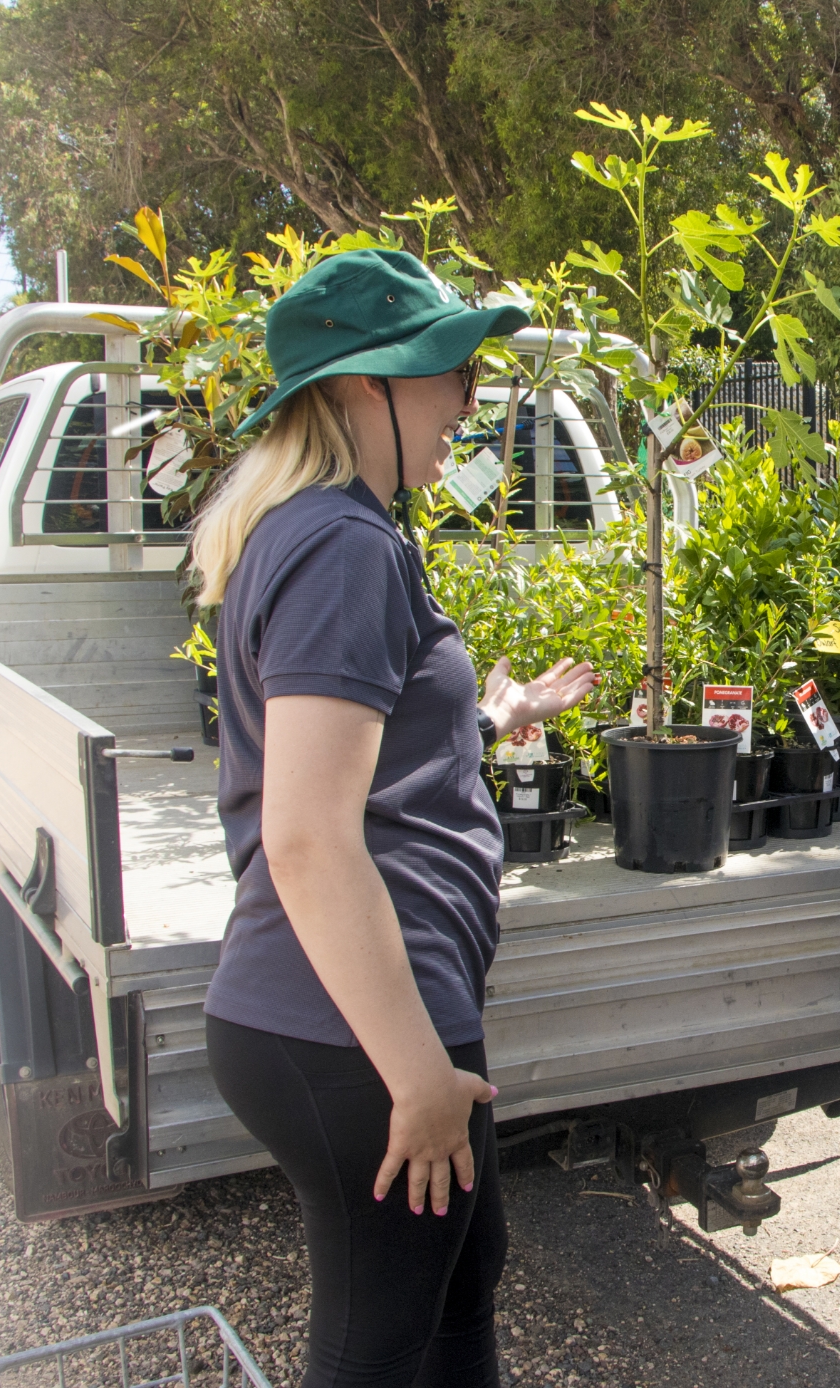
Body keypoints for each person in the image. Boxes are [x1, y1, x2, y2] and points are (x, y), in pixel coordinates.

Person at [191, 249, 596, 1388]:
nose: (470, 399)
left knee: (462, 1288)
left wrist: (494, 710)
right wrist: (417, 1072)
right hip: (359, 1027)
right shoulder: (342, 544)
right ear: (365, 384)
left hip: (367, 1012)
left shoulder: (327, 532)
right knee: (378, 1348)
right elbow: (310, 834)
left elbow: (361, 763)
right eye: (450, 371)